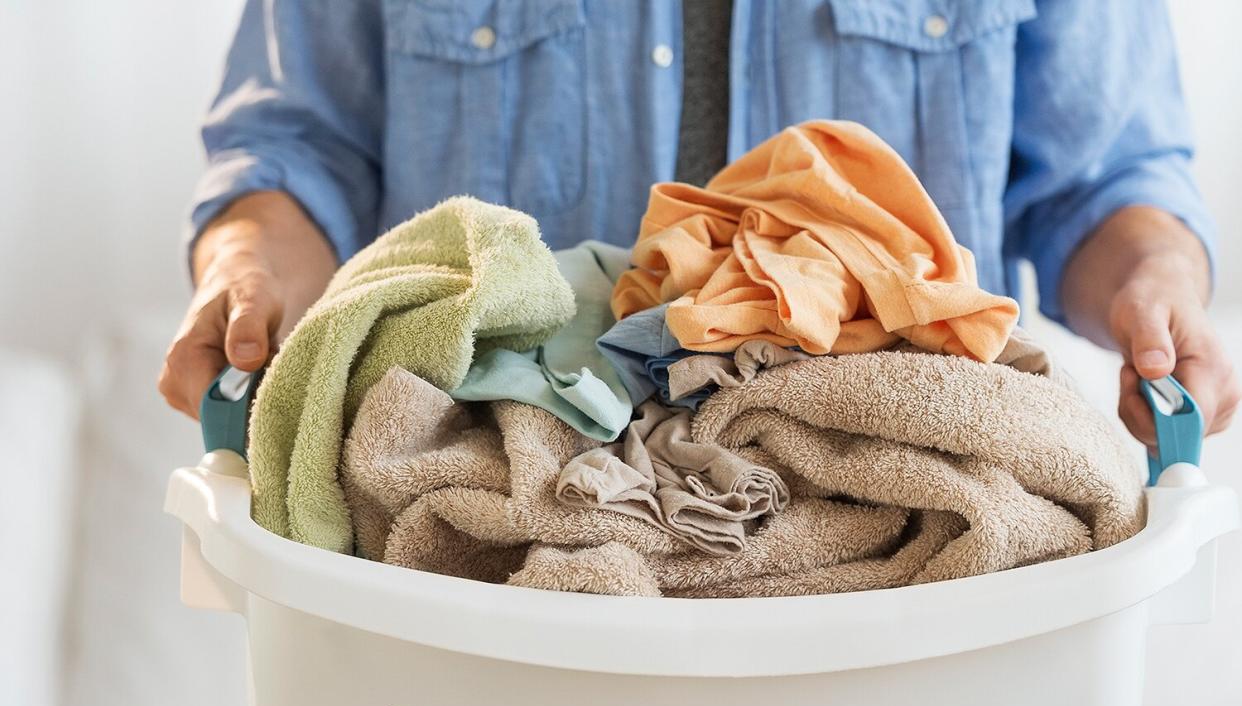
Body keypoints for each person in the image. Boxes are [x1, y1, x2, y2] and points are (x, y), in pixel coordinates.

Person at [159, 0, 1239, 447]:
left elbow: (1102, 183)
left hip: (901, 586)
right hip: (485, 569)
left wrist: (1158, 284)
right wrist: (249, 267)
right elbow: (301, 152)